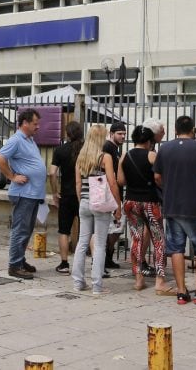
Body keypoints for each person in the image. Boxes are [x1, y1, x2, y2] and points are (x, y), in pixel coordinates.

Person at [153, 115, 196, 305]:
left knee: (176, 248)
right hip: (194, 205)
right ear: (193, 130)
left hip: (172, 204)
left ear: (175, 129)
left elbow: (157, 176)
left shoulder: (165, 149)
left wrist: (169, 186)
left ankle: (181, 292)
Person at [118, 125, 174, 295]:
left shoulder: (124, 156)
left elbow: (121, 181)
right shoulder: (152, 155)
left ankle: (138, 279)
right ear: (149, 141)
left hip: (130, 202)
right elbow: (159, 177)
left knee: (137, 239)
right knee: (158, 240)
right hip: (150, 202)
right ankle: (160, 281)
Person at [0, 108, 47, 280]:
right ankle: (14, 266)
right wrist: (12, 176)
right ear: (25, 123)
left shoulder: (30, 140)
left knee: (27, 229)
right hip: (24, 193)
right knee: (20, 230)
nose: (37, 127)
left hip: (32, 194)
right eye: (35, 123)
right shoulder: (16, 140)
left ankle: (20, 260)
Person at [72, 125, 122, 296]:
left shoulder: (81, 157)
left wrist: (81, 201)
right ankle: (97, 285)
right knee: (100, 244)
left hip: (85, 202)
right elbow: (112, 182)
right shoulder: (105, 157)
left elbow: (78, 184)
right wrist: (118, 205)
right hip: (100, 203)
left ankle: (78, 282)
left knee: (82, 242)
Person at [48, 121, 84, 275]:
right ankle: (97, 265)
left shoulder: (60, 150)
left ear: (67, 134)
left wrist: (55, 192)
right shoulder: (86, 150)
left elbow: (52, 173)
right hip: (84, 195)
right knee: (90, 230)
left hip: (67, 195)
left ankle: (64, 264)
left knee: (64, 230)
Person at [138, 117, 166, 276]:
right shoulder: (150, 152)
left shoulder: (151, 148)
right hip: (149, 196)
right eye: (161, 131)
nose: (164, 134)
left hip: (140, 197)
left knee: (143, 232)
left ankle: (140, 264)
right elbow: (157, 175)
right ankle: (143, 263)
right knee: (152, 234)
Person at [102, 122, 126, 270]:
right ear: (111, 134)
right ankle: (105, 258)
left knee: (115, 228)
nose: (123, 136)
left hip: (114, 193)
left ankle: (108, 257)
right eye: (119, 133)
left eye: (124, 133)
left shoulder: (114, 148)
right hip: (110, 194)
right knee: (114, 227)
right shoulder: (108, 148)